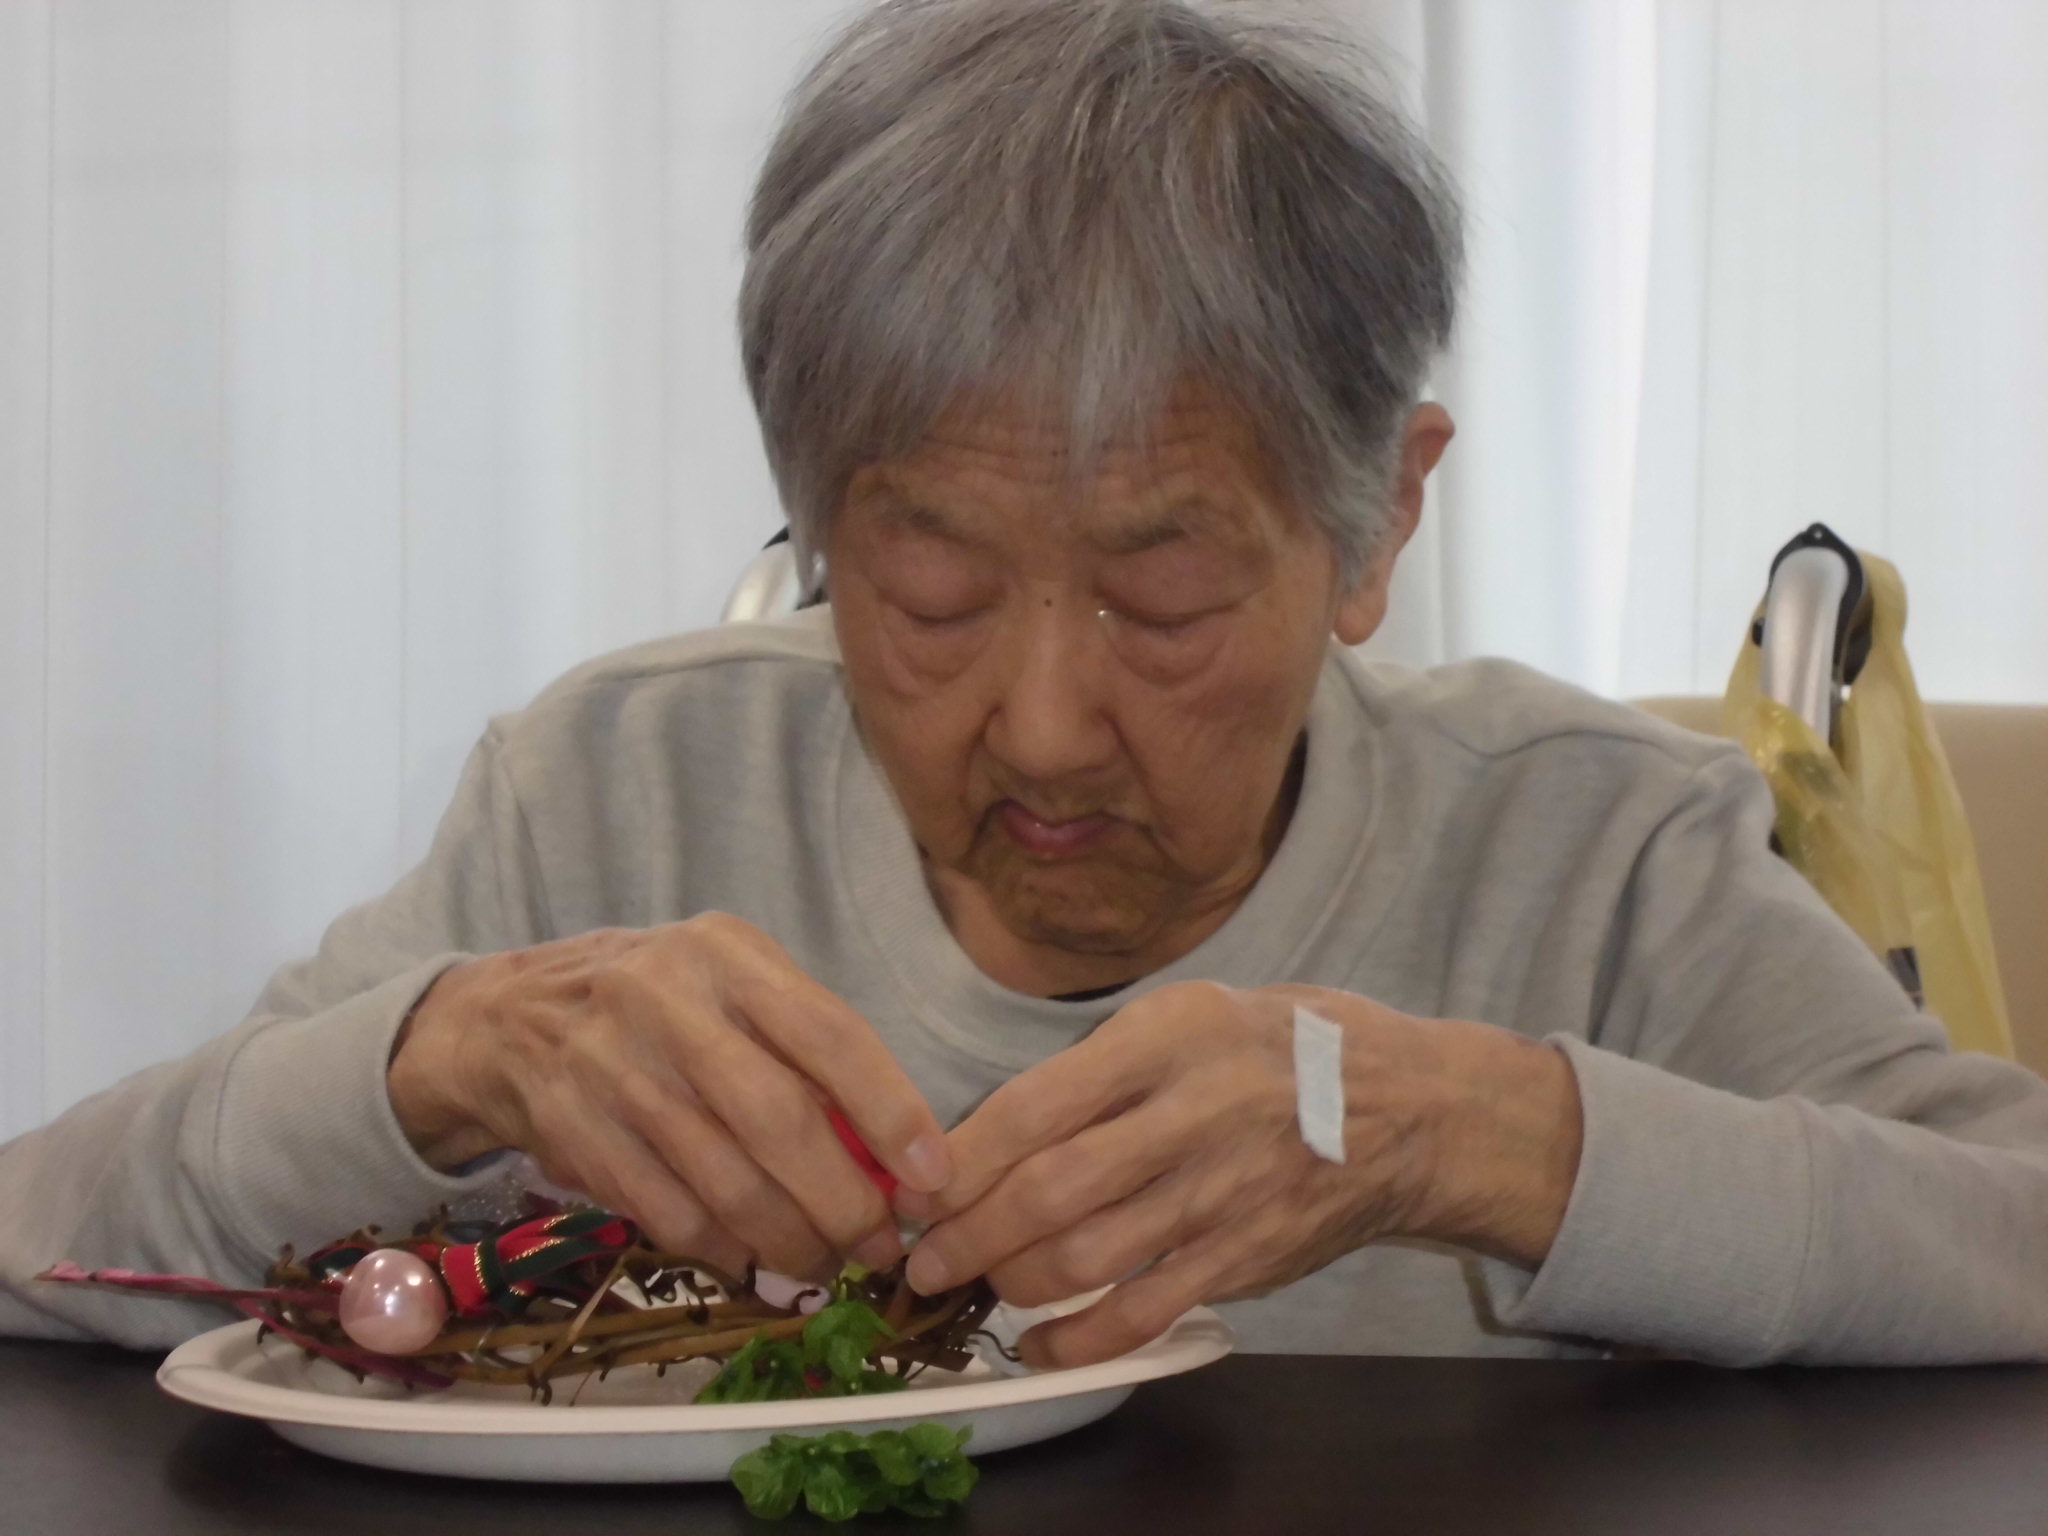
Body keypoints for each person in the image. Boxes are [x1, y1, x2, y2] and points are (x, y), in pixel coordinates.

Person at [5, 0, 2046, 1370]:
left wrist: (1480, 1138)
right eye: (927, 587)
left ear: (1377, 525)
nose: (1046, 727)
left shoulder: (1592, 850)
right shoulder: (613, 795)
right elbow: (44, 1244)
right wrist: (439, 1058)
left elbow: (2012, 1230)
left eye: (1163, 595)